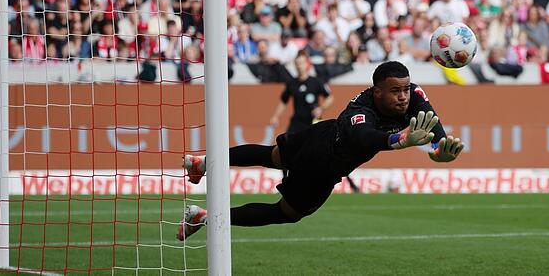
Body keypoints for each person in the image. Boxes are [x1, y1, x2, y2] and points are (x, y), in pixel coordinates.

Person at [177, 61, 465, 240]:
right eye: (395, 91)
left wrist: (440, 150)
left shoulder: (413, 95)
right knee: (287, 213)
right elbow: (365, 138)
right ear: (377, 91)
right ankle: (204, 216)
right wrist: (397, 140)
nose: (403, 97)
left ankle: (201, 164)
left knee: (270, 155)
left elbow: (434, 129)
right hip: (324, 161)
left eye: (405, 89)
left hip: (320, 133)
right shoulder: (361, 109)